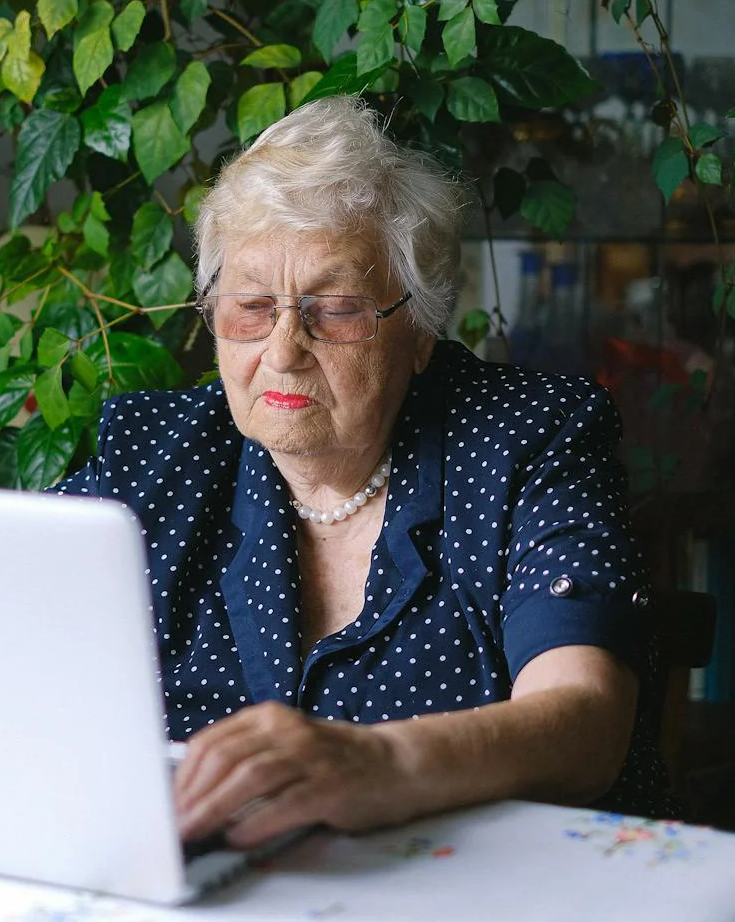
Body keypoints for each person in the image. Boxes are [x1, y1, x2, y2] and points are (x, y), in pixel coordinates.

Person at [48, 94, 674, 849]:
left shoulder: (527, 438)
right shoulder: (149, 456)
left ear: (419, 329)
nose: (282, 349)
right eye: (250, 306)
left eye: (336, 309)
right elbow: (7, 644)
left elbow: (585, 722)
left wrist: (379, 762)